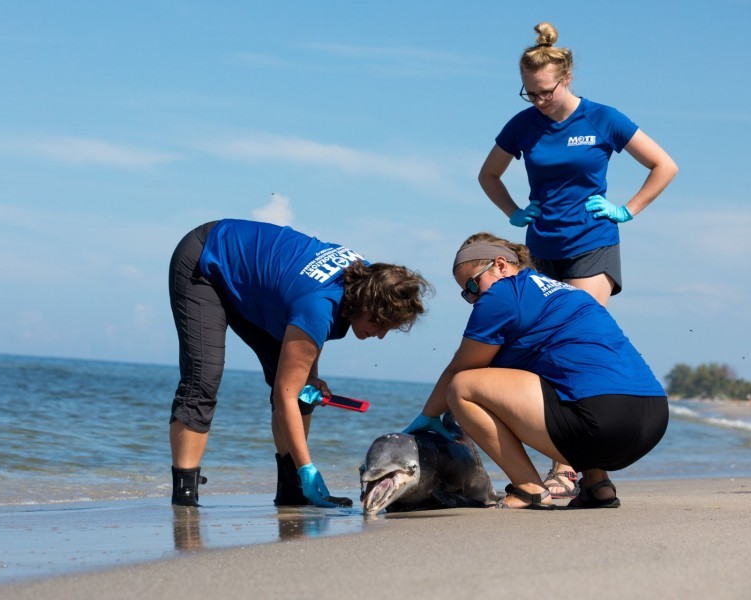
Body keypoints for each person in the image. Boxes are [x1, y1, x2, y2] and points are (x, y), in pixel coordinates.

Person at [477, 22, 677, 497]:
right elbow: (488, 175)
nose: (538, 101)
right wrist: (513, 211)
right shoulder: (523, 125)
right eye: (529, 94)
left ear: (564, 80)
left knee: (572, 346)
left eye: (544, 91)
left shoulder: (603, 119)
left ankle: (564, 469)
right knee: (538, 354)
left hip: (593, 245)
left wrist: (627, 209)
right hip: (541, 248)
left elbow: (664, 165)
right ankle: (588, 474)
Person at [168, 218, 431, 508]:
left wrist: (312, 376)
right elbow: (286, 392)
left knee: (305, 390)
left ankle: (292, 490)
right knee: (203, 380)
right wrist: (308, 468)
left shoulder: (367, 280)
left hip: (257, 280)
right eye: (380, 324)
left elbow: (308, 326)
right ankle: (185, 498)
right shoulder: (320, 306)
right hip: (205, 260)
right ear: (365, 304)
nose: (380, 335)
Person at [404, 233, 668, 509]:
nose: (473, 297)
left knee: (462, 388)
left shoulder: (502, 295)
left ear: (501, 265)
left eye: (473, 284)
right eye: (465, 293)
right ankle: (596, 484)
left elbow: (462, 366)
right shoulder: (565, 291)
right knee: (566, 382)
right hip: (653, 419)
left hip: (605, 427)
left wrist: (428, 417)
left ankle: (529, 488)